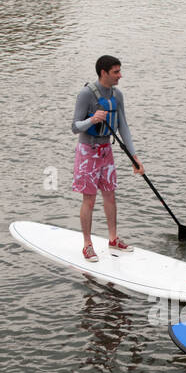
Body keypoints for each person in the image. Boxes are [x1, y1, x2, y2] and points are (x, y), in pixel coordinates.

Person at [71, 55, 144, 262]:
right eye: (116, 72)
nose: (120, 76)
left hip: (106, 151)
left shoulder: (117, 95)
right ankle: (87, 245)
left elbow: (123, 126)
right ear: (104, 73)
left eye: (119, 71)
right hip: (87, 152)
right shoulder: (86, 94)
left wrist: (133, 157)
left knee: (110, 195)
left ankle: (113, 239)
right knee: (89, 199)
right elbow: (75, 127)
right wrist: (92, 120)